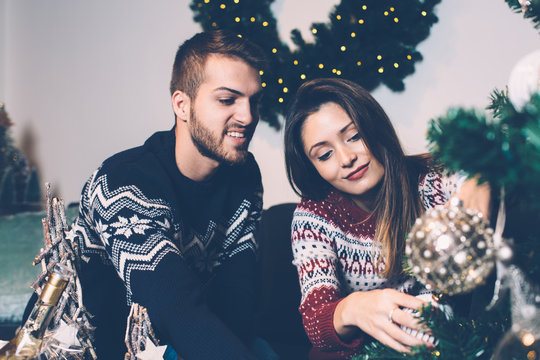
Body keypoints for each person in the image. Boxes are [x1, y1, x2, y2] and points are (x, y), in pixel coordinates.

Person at [71, 30, 267, 359]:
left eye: (253, 100)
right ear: (182, 105)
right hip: (88, 351)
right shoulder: (123, 182)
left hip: (177, 345)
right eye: (227, 99)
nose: (248, 117)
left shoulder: (244, 175)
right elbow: (175, 309)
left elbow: (237, 301)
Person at [283, 78, 490, 359]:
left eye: (354, 136)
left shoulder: (429, 181)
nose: (346, 158)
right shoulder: (315, 215)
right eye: (325, 154)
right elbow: (316, 319)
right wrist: (353, 308)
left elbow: (492, 165)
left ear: (375, 127)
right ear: (312, 167)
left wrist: (481, 180)